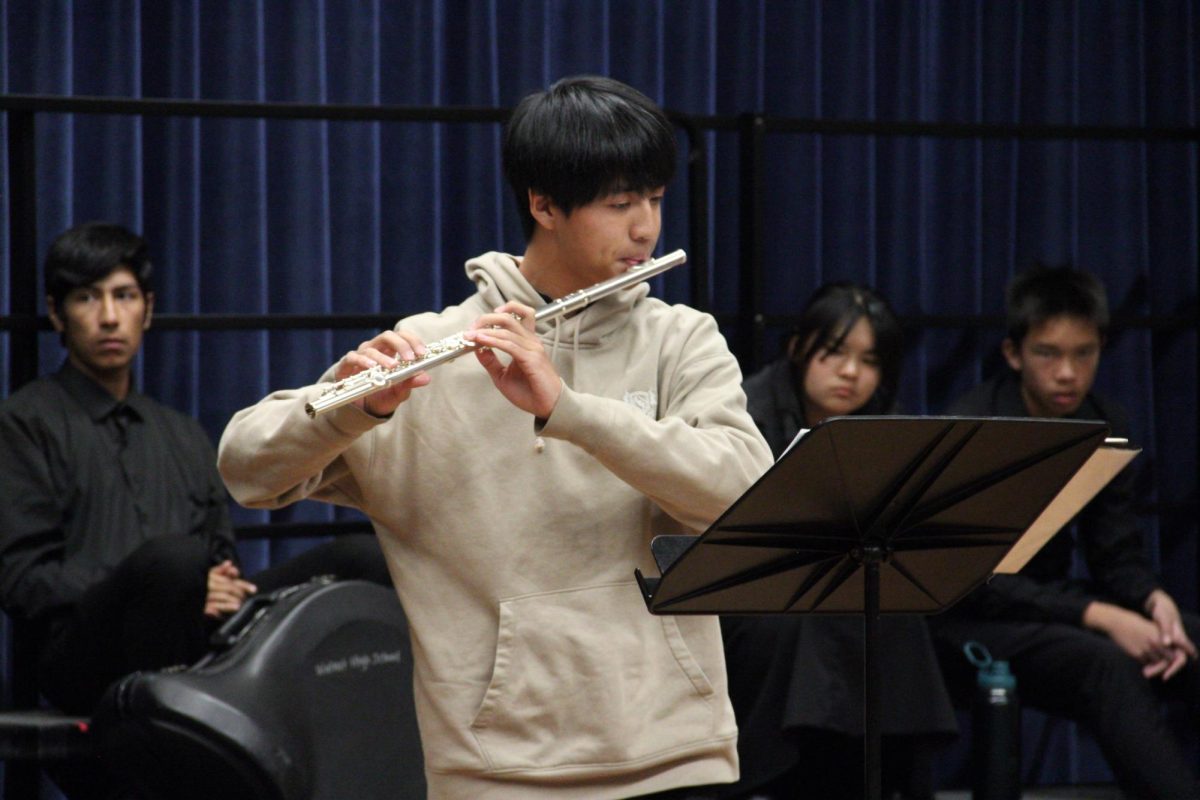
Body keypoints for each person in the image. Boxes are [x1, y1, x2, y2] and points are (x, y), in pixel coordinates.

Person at [216, 75, 773, 800]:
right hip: (496, 771)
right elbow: (247, 471)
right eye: (620, 203)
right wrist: (354, 408)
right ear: (544, 205)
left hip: (674, 753)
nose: (646, 229)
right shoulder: (431, 348)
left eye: (656, 200)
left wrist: (570, 410)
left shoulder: (681, 340)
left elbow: (749, 498)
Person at [0, 222, 392, 798]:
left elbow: (220, 551)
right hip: (85, 656)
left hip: (202, 634)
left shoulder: (180, 432)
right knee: (173, 564)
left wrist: (215, 585)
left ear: (148, 309)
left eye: (124, 296)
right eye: (87, 298)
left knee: (362, 557)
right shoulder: (25, 423)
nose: (109, 317)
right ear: (57, 315)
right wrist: (172, 581)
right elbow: (22, 579)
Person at [929, 264, 1200, 799]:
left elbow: (1115, 550)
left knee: (1188, 638)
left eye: (1084, 353)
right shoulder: (977, 426)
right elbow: (975, 577)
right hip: (967, 617)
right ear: (1013, 353)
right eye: (1048, 354)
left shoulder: (1104, 421)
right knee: (1100, 662)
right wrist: (1102, 617)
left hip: (1050, 605)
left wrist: (1151, 600)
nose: (1068, 374)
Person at [720, 283, 956, 800]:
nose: (851, 373)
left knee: (898, 614)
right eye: (835, 354)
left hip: (845, 586)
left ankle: (887, 777)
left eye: (869, 361)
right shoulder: (748, 410)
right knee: (807, 623)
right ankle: (789, 775)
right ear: (799, 348)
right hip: (753, 589)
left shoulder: (890, 426)